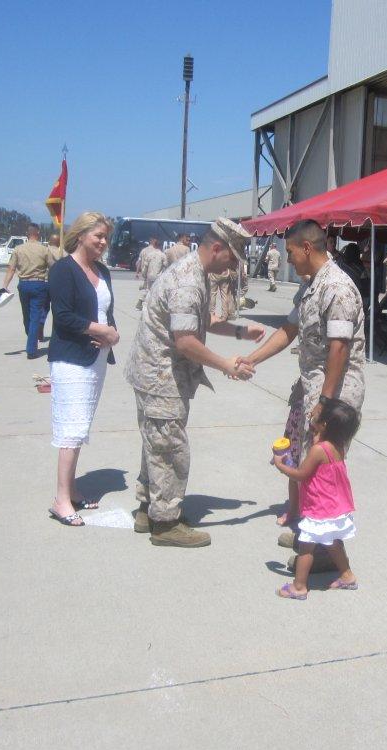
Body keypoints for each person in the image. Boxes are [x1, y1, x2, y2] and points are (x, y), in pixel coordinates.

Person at [126, 218, 266, 547]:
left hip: (154, 374)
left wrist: (240, 331)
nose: (233, 265)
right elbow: (186, 340)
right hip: (161, 378)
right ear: (216, 248)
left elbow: (200, 321)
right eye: (232, 258)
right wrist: (226, 365)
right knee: (171, 451)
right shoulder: (189, 279)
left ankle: (149, 509)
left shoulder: (194, 271)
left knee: (156, 445)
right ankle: (166, 524)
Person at [238, 219, 367, 525]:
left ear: (307, 248)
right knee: (299, 450)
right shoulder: (311, 284)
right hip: (312, 386)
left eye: (291, 251)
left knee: (322, 465)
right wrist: (252, 359)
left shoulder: (337, 288)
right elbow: (289, 329)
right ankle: (304, 519)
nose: (288, 258)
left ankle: (322, 545)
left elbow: (339, 348)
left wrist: (324, 402)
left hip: (334, 392)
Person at [46, 212, 120, 527]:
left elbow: (106, 310)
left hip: (96, 359)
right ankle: (60, 500)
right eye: (98, 236)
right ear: (80, 235)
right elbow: (63, 316)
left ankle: (72, 490)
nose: (103, 242)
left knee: (81, 425)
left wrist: (110, 331)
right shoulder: (64, 270)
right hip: (71, 359)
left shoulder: (101, 270)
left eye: (106, 237)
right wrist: (98, 331)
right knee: (70, 429)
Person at [271, 398, 360, 599]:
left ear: (325, 425)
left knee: (306, 547)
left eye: (316, 415)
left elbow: (301, 475)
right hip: (334, 506)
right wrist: (317, 432)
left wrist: (281, 465)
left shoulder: (318, 450)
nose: (312, 414)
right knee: (331, 542)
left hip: (319, 507)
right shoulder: (338, 445)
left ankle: (299, 587)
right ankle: (347, 576)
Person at [1, 223, 52, 358]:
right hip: (39, 284)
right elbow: (53, 267)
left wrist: (5, 285)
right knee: (33, 317)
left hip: (24, 284)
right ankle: (32, 342)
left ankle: (31, 348)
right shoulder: (44, 249)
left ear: (27, 234)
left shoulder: (18, 249)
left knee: (28, 316)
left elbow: (11, 269)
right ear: (38, 233)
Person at [136, 236, 166, 310]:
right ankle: (142, 302)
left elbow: (145, 266)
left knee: (148, 289)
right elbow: (166, 266)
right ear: (161, 246)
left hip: (149, 276)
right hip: (158, 276)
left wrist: (144, 274)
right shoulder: (162, 255)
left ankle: (145, 303)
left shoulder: (150, 254)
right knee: (155, 291)